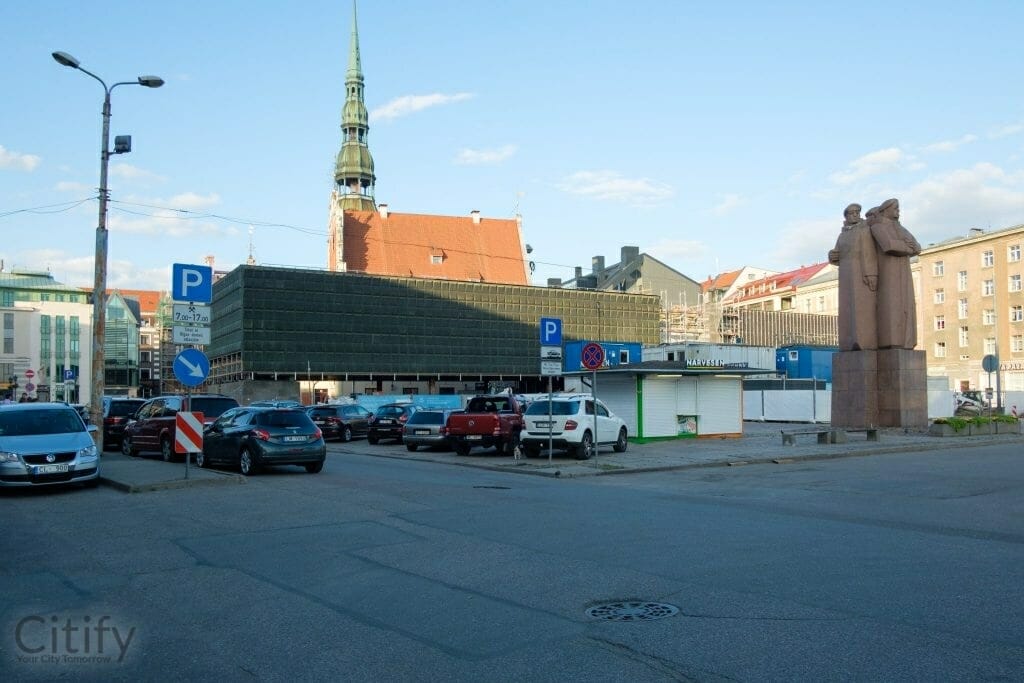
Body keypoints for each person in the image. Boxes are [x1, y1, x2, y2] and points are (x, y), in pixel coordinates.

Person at [869, 198, 921, 349]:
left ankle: (907, 341)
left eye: (899, 208)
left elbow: (917, 247)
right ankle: (892, 341)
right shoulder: (878, 227)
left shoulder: (900, 228)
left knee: (906, 305)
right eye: (895, 208)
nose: (898, 211)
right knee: (892, 306)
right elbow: (888, 245)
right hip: (888, 271)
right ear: (886, 210)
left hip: (904, 271)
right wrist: (907, 247)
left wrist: (908, 247)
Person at [828, 203, 878, 351]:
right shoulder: (842, 235)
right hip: (845, 275)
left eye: (857, 212)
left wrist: (870, 274)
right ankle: (848, 343)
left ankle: (864, 342)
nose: (855, 214)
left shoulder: (864, 230)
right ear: (846, 216)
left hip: (860, 274)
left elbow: (869, 254)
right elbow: (837, 253)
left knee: (862, 308)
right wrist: (832, 255)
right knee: (846, 309)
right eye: (852, 213)